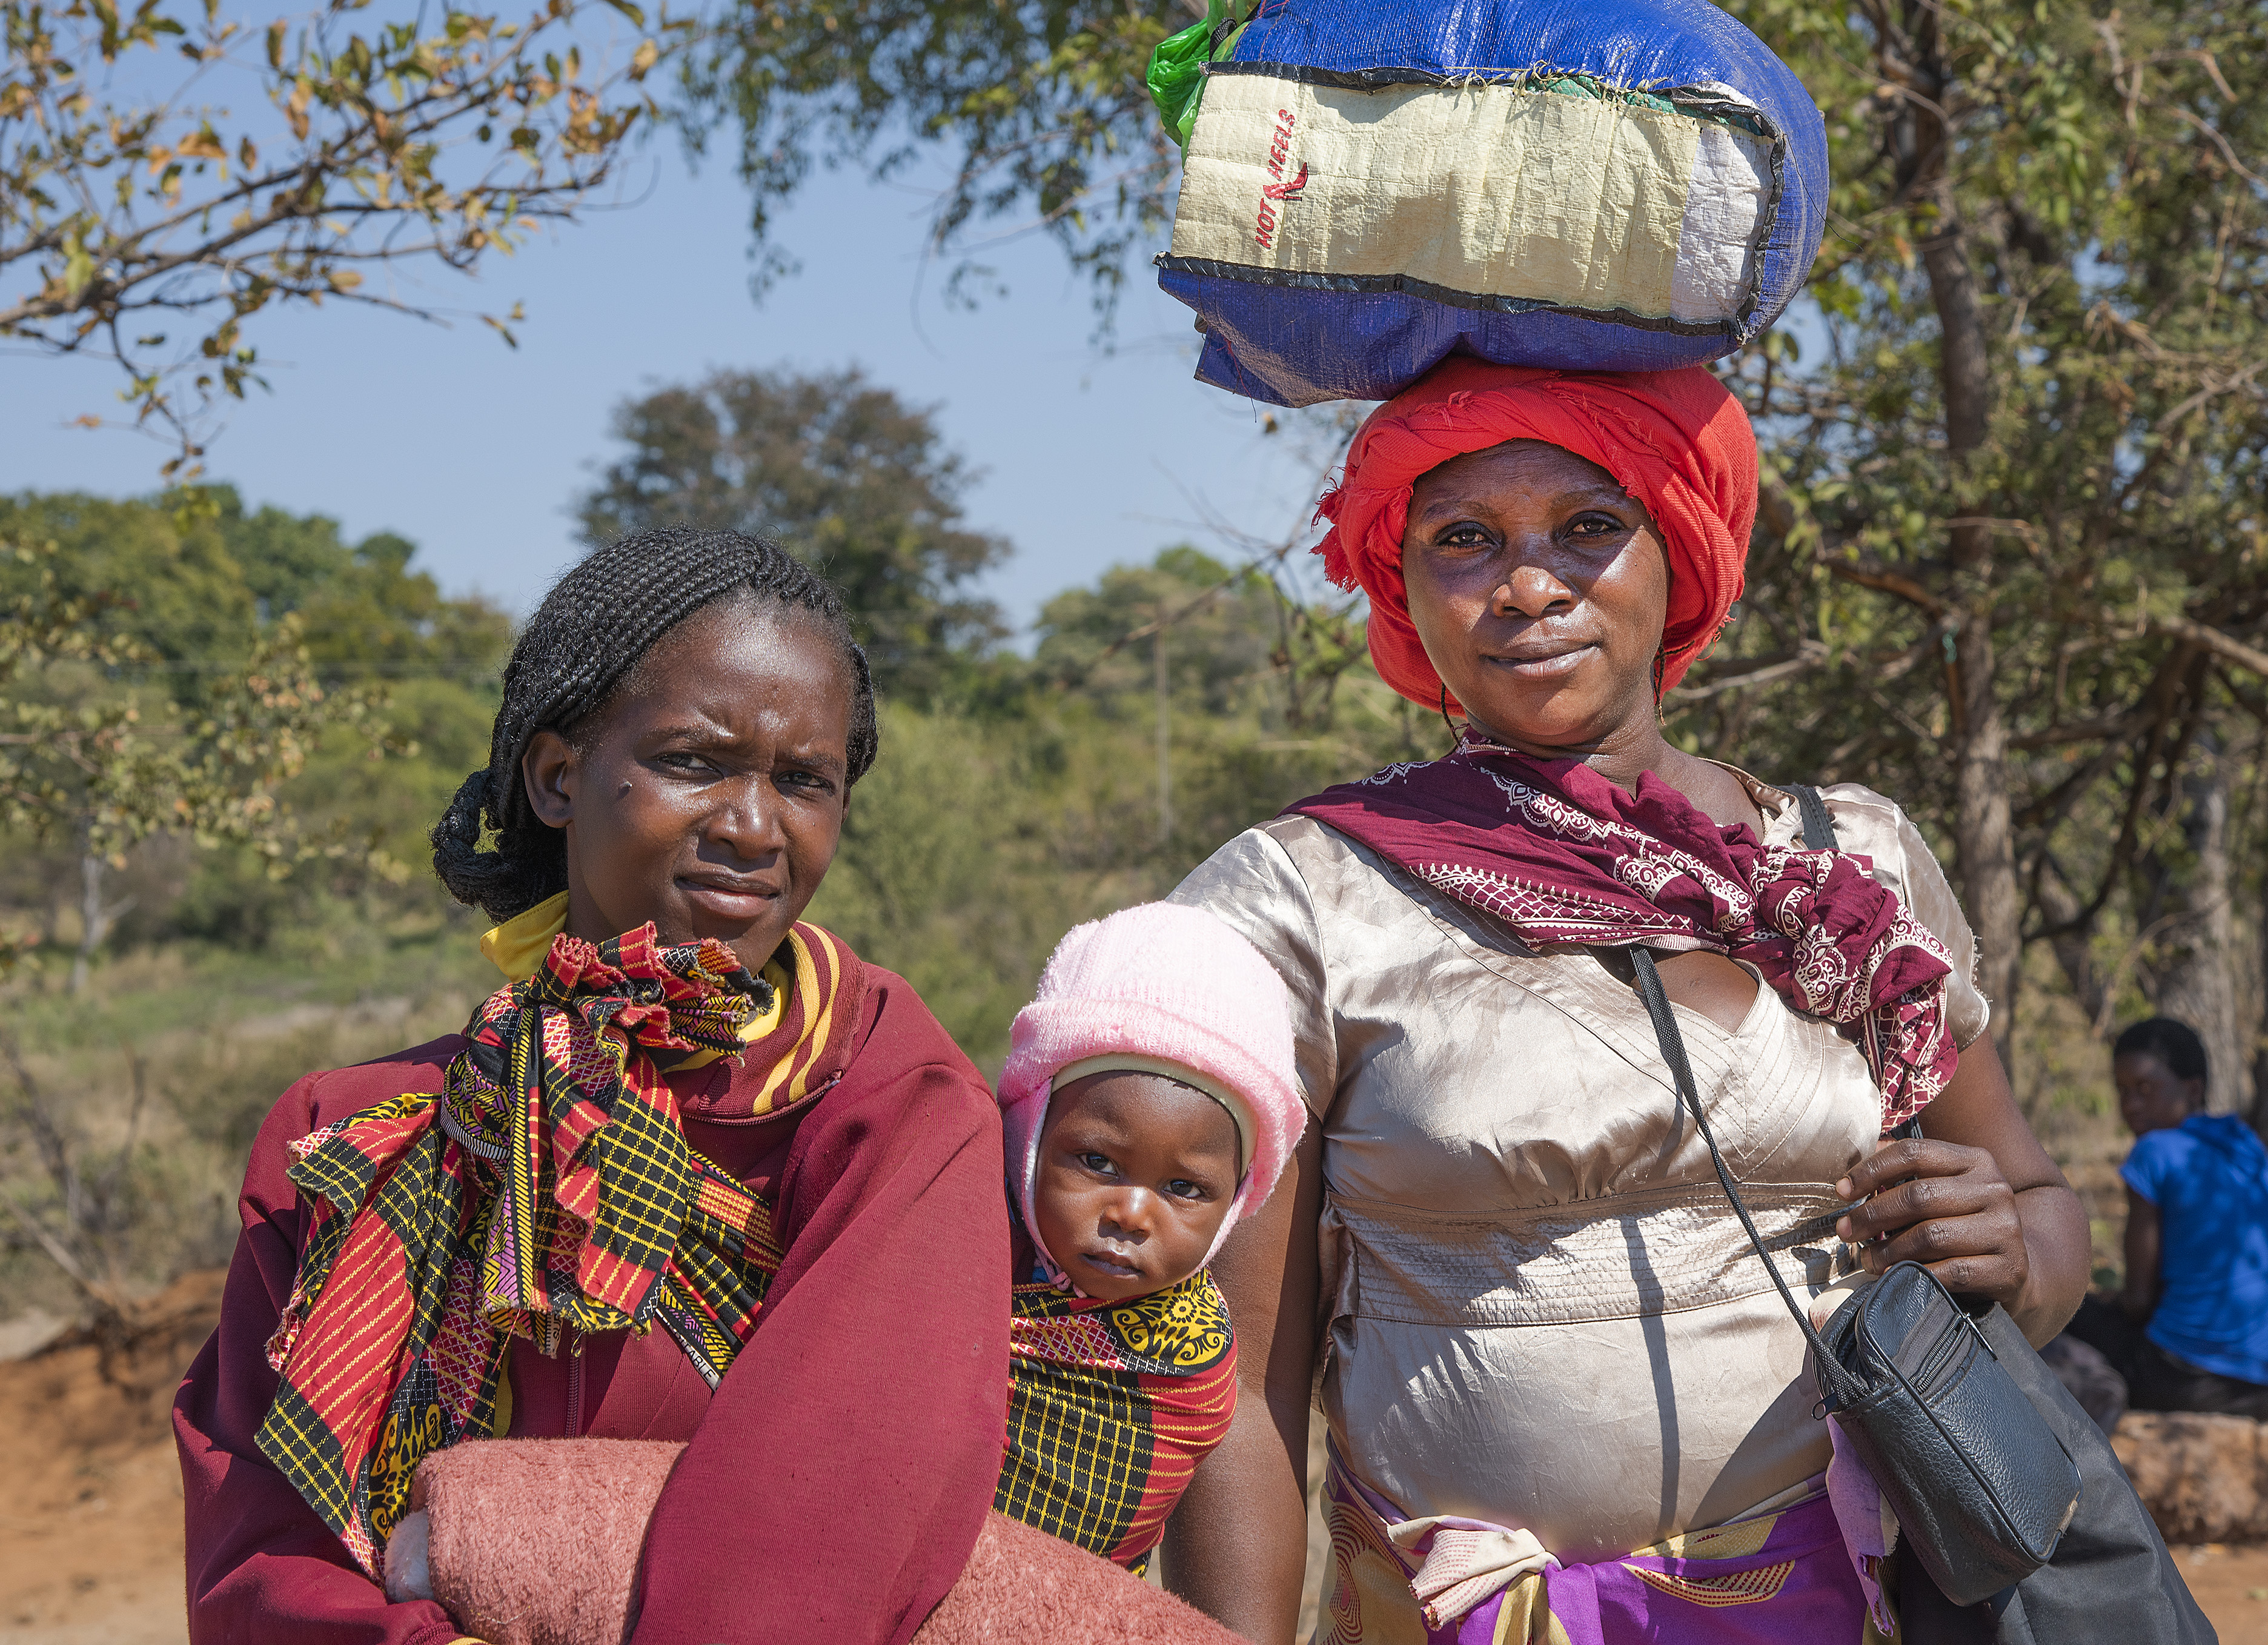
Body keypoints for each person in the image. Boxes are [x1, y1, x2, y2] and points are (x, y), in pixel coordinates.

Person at [1158, 358, 2092, 1645]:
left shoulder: (1845, 868)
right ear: (1404, 586)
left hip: (1856, 1605)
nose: (1528, 585)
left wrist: (2012, 1259)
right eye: (1463, 541)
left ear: (1680, 556)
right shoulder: (1304, 901)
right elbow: (1237, 1387)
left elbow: (2038, 1215)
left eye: (1588, 528)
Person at [174, 528, 1012, 1645]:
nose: (756, 827)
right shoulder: (354, 1135)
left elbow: (819, 1538)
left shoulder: (891, 1109)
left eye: (805, 781)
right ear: (561, 777)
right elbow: (263, 1548)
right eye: (697, 761)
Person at [992, 902, 1305, 1571]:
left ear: (1235, 1204)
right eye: (1098, 1163)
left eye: (1184, 1189)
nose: (1131, 1214)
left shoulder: (1192, 1365)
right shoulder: (942, 1252)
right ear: (1029, 1138)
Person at [2062, 1017, 2268, 1421]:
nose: (2131, 1105)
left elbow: (2138, 1302)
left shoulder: (2155, 1152)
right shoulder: (2247, 1146)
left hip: (2187, 1380)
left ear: (2193, 1090)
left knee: (2058, 1311)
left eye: (2146, 1089)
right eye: (2122, 1091)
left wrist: (2110, 1302)